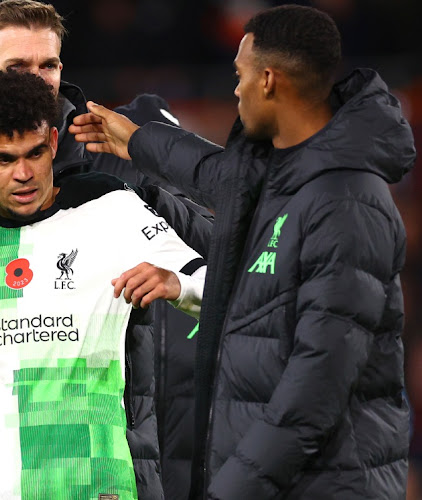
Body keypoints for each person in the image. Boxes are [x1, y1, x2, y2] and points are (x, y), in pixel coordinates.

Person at [70, 4, 415, 499]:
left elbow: (316, 387)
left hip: (328, 483)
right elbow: (219, 175)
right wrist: (139, 141)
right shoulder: (285, 175)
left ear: (269, 80)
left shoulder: (346, 202)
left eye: (240, 75)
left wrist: (230, 490)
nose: (234, 90)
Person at [0, 1, 212, 497]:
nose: (38, 82)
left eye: (49, 65)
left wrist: (157, 187)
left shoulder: (115, 181)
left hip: (113, 458)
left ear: (53, 145)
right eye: (19, 67)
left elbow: (224, 262)